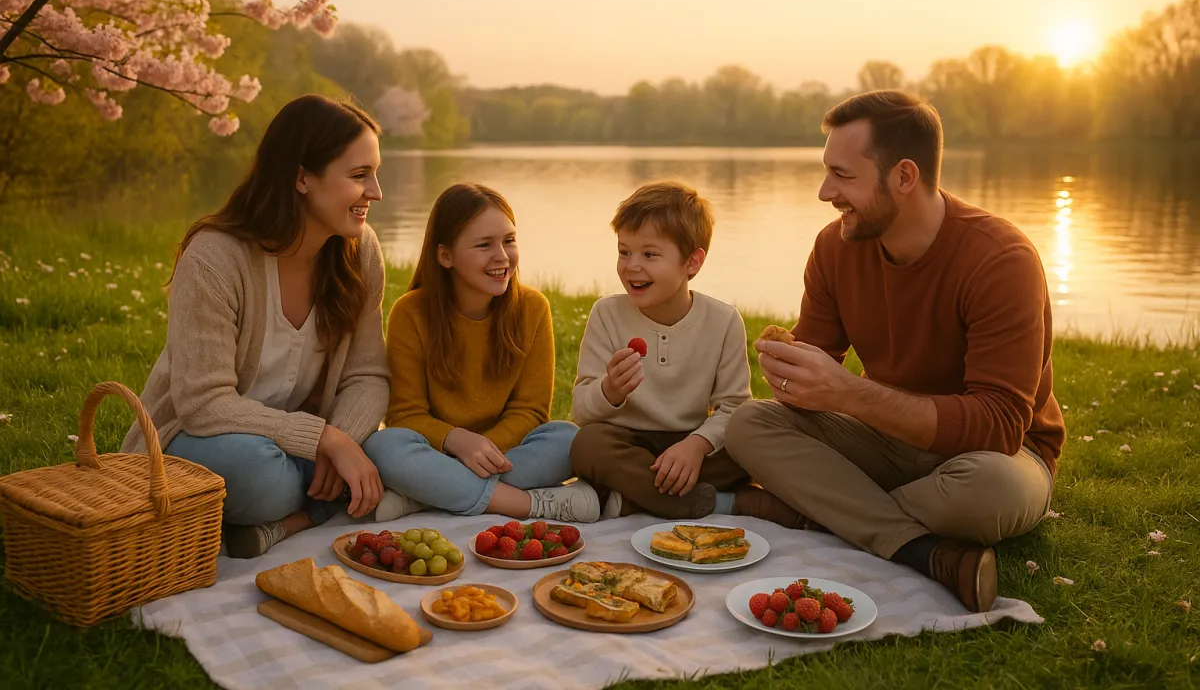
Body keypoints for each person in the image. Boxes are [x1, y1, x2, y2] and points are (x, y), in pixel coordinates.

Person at [725, 90, 1064, 612]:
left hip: (994, 457)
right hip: (886, 443)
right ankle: (919, 548)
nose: (824, 192)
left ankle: (818, 517)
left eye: (843, 176)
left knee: (988, 489)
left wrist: (848, 393)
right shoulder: (836, 247)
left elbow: (999, 426)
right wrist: (795, 376)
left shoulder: (1001, 260)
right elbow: (813, 376)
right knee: (750, 423)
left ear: (904, 177)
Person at [121, 95, 390, 558]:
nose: (376, 191)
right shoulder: (215, 258)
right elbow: (203, 404)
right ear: (302, 176)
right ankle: (308, 512)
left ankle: (281, 520)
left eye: (374, 173)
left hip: (301, 451)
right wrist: (325, 440)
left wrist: (343, 438)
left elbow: (368, 375)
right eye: (359, 175)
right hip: (204, 441)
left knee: (394, 453)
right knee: (261, 476)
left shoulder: (359, 252)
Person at [570, 180, 805, 526]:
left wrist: (697, 444)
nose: (631, 266)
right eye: (624, 251)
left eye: (649, 254)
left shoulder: (723, 321)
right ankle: (728, 504)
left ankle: (635, 499)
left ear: (692, 262)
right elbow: (581, 410)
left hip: (695, 449)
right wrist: (609, 391)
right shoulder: (607, 314)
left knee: (752, 442)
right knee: (587, 445)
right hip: (628, 444)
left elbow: (733, 407)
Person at [364, 183, 600, 523]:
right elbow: (405, 415)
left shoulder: (533, 308)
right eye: (484, 245)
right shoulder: (411, 312)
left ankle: (425, 496)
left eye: (509, 240)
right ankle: (531, 504)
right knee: (383, 447)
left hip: (505, 452)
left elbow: (531, 412)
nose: (502, 257)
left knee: (569, 438)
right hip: (435, 449)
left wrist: (481, 450)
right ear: (445, 255)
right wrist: (457, 442)